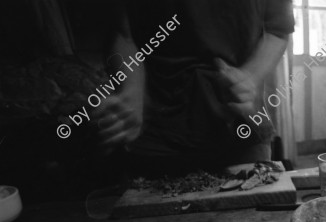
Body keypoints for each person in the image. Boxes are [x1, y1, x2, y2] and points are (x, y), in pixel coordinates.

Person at [93, 0, 294, 176]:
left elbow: (278, 29)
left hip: (241, 130)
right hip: (156, 136)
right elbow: (122, 32)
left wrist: (250, 76)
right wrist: (131, 87)